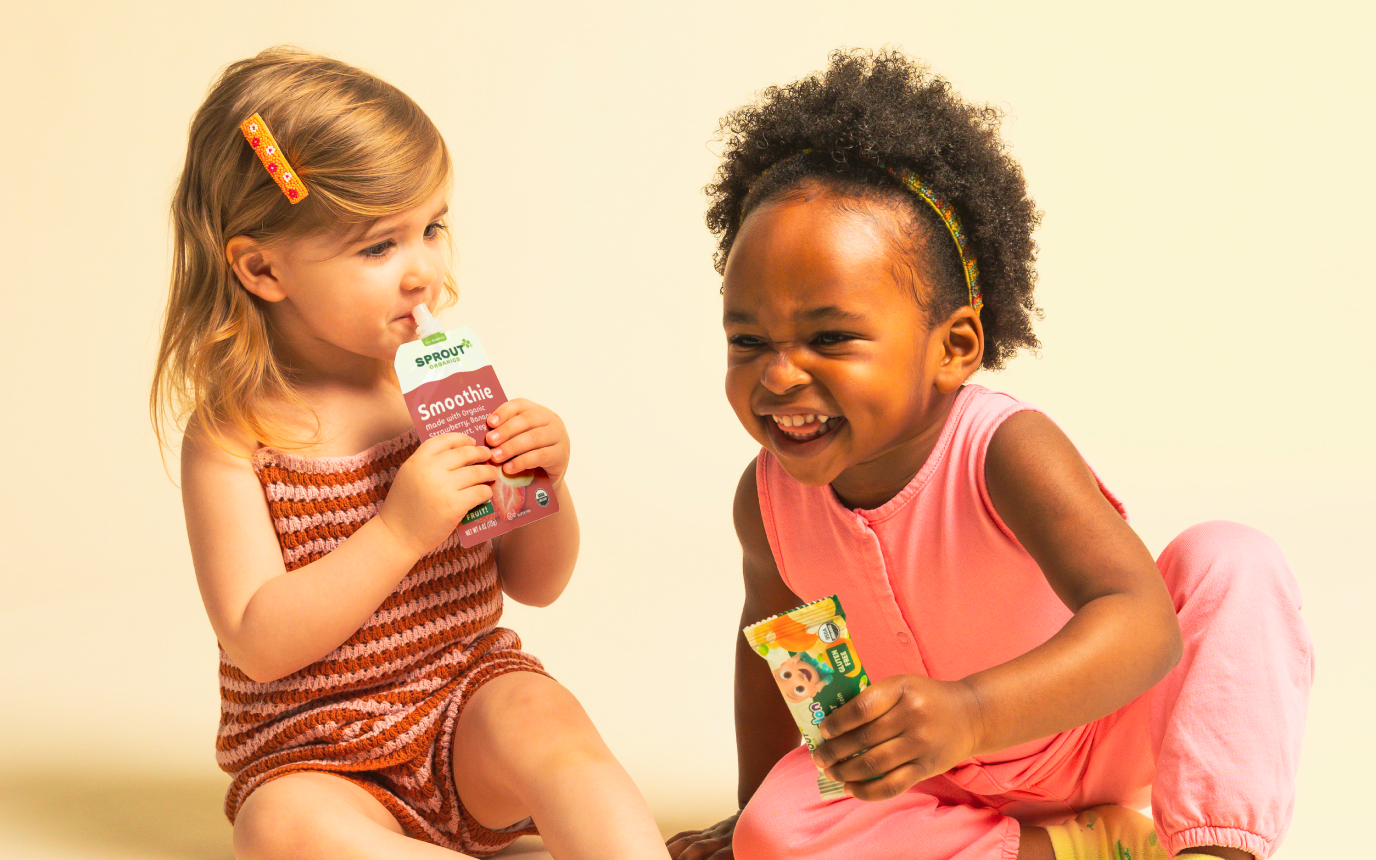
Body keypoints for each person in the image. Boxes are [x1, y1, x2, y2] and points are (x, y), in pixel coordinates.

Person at [667, 49, 1312, 860]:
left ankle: (1214, 845)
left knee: (1233, 561)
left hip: (1096, 730)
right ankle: (1077, 847)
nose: (779, 373)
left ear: (956, 345)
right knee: (777, 832)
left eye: (830, 338)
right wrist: (753, 811)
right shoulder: (765, 502)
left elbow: (1144, 624)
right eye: (748, 341)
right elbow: (782, 655)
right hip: (924, 771)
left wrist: (971, 712)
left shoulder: (1003, 451)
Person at [151, 47, 668, 860]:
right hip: (315, 755)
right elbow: (258, 638)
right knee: (276, 831)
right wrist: (397, 533)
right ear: (261, 267)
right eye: (376, 248)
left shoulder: (436, 386)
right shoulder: (234, 436)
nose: (422, 271)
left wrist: (546, 482)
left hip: (466, 709)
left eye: (431, 228)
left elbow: (537, 584)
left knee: (547, 719)